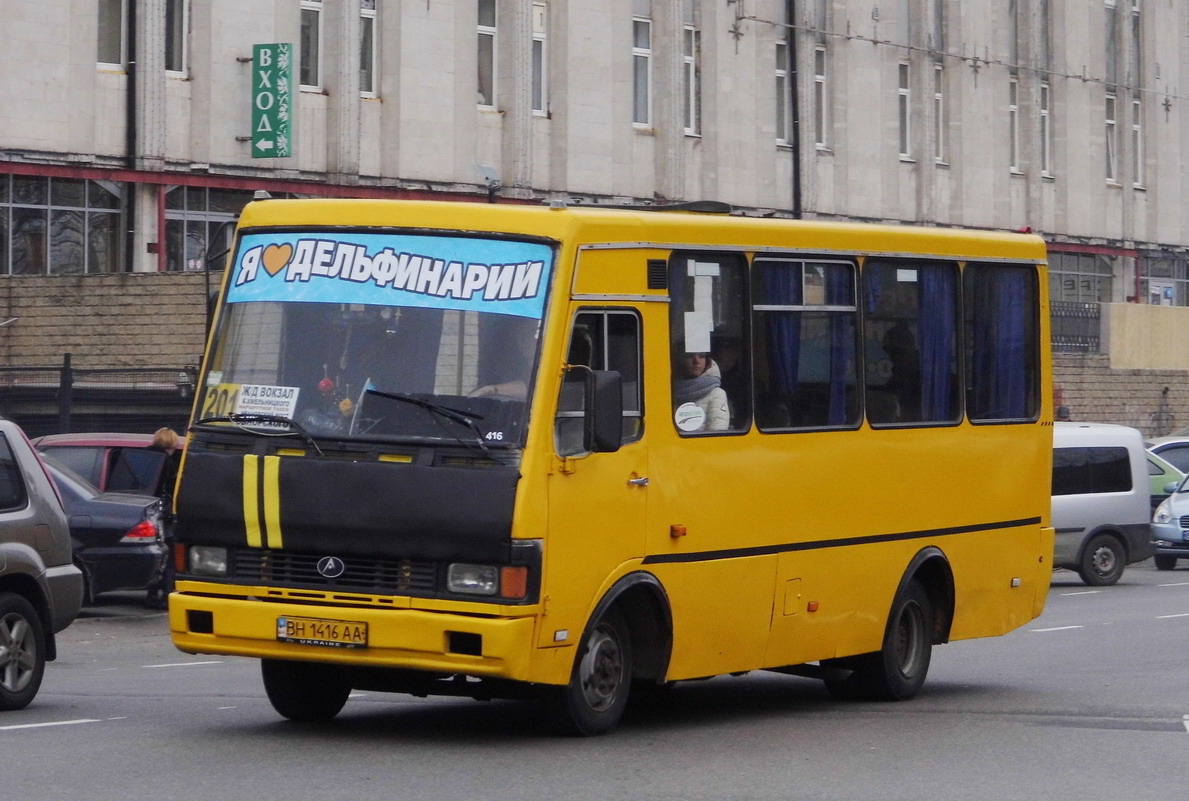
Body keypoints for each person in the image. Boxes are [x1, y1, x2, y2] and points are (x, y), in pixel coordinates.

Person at [145, 427, 182, 609]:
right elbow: (173, 488)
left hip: (145, 512)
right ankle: (167, 595)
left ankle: (151, 594)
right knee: (168, 553)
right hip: (162, 515)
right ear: (171, 443)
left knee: (153, 551)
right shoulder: (167, 462)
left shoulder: (144, 456)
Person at [673, 352, 730, 432]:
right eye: (689, 356)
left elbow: (717, 434)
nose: (696, 361)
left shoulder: (716, 394)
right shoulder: (669, 390)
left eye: (701, 356)